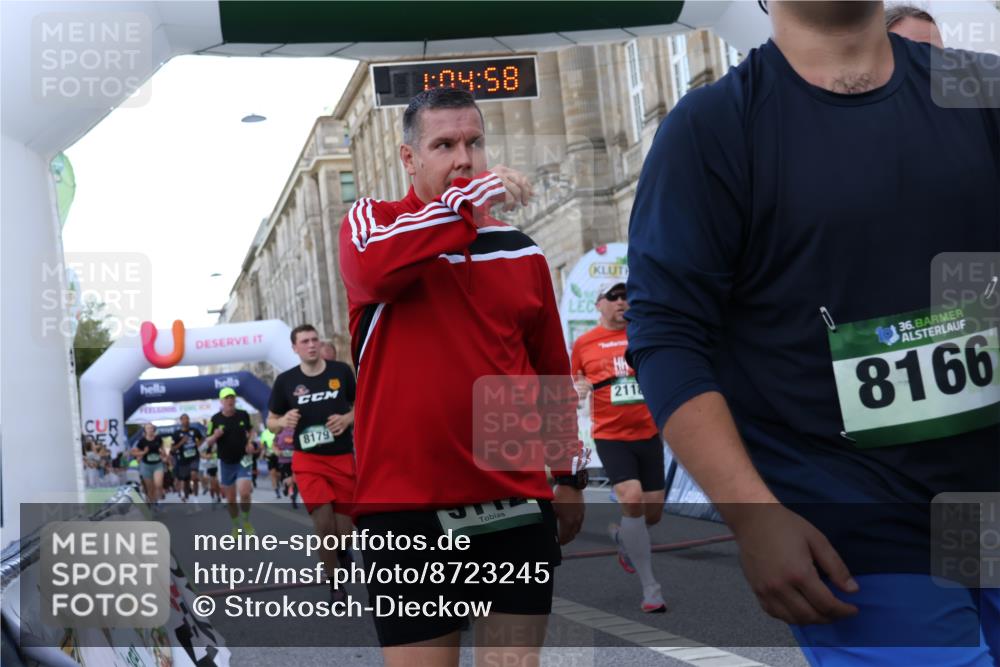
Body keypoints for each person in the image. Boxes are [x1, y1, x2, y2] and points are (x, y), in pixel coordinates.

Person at [626, 1, 999, 665]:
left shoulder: (979, 90)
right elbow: (667, 337)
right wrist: (753, 514)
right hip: (856, 526)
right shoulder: (711, 130)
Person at [338, 87, 586, 666]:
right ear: (409, 158)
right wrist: (463, 206)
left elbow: (549, 370)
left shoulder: (521, 252)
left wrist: (568, 473)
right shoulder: (371, 223)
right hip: (406, 509)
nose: (463, 159)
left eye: (473, 143)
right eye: (443, 144)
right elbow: (375, 275)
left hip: (513, 500)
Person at [571, 281, 666, 613]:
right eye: (614, 297)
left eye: (626, 296)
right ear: (599, 304)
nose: (622, 302)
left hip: (649, 432)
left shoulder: (642, 333)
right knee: (632, 497)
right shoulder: (583, 344)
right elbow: (572, 384)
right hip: (611, 436)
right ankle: (651, 589)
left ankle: (625, 536)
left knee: (651, 512)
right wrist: (579, 388)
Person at [267, 323, 358, 601]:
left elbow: (362, 405)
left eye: (314, 339)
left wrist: (346, 419)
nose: (311, 345)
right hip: (308, 462)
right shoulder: (286, 381)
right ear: (295, 348)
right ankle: (335, 586)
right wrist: (282, 421)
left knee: (344, 530)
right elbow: (271, 421)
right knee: (323, 524)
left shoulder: (340, 372)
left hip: (342, 458)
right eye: (304, 341)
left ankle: (342, 551)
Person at [202, 388, 257, 535]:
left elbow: (251, 431)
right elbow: (207, 441)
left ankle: (245, 520)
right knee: (231, 500)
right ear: (221, 401)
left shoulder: (243, 415)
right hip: (225, 462)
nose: (229, 400)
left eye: (232, 397)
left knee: (245, 493)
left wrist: (250, 442)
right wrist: (215, 436)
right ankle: (236, 525)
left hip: (243, 460)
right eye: (226, 398)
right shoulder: (215, 419)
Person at [131, 423, 168, 507]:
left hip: (157, 464)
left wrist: (164, 455)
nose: (150, 430)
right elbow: (133, 452)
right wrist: (143, 452)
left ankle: (159, 502)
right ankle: (152, 505)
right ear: (145, 430)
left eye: (151, 428)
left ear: (154, 429)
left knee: (158, 484)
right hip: (146, 466)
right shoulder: (142, 441)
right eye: (148, 428)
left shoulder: (158, 439)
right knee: (150, 489)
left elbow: (163, 449)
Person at [170, 414, 202, 502]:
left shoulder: (194, 430)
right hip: (183, 460)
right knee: (186, 480)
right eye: (184, 419)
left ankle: (196, 499)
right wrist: (182, 442)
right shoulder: (176, 434)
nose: (186, 421)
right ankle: (187, 497)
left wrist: (199, 444)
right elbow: (172, 449)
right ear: (181, 421)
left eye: (187, 419)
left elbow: (202, 439)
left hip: (194, 457)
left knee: (194, 476)